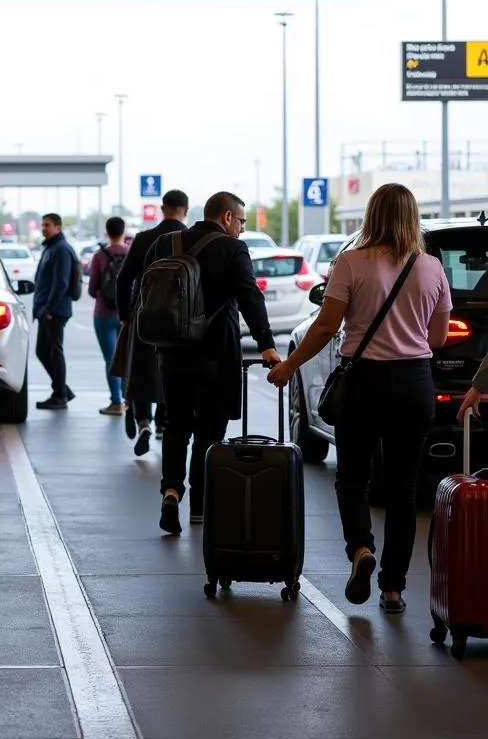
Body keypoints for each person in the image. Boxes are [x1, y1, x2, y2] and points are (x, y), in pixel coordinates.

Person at [269, 183, 450, 613]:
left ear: (371, 216)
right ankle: (392, 589)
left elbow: (325, 326)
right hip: (414, 384)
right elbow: (439, 336)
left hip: (362, 383)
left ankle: (361, 550)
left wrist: (289, 365)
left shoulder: (349, 262)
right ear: (412, 217)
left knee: (352, 477)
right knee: (404, 492)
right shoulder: (431, 267)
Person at [145, 191, 280, 534]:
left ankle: (171, 490)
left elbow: (145, 295)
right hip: (215, 356)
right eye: (242, 222)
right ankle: (201, 507)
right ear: (227, 218)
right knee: (209, 431)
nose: (242, 230)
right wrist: (267, 345)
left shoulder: (165, 243)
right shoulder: (232, 249)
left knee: (176, 425)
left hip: (171, 353)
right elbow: (250, 295)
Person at [116, 189, 189, 455]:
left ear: (163, 208)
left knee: (140, 369)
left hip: (144, 316)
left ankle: (143, 422)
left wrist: (126, 314)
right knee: (170, 369)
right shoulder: (189, 240)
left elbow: (123, 279)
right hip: (180, 320)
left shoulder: (145, 238)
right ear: (185, 210)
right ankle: (164, 423)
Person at [32, 213, 80, 410]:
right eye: (43, 225)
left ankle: (60, 395)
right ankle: (62, 390)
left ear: (58, 227)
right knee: (43, 351)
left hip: (54, 310)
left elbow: (61, 282)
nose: (44, 228)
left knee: (53, 351)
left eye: (48, 225)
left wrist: (49, 308)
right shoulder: (51, 247)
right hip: (48, 308)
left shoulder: (60, 249)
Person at [88, 216, 129, 416]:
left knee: (111, 359)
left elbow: (92, 288)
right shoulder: (131, 252)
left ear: (107, 232)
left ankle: (116, 402)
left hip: (103, 314)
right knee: (129, 358)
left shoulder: (99, 256)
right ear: (123, 231)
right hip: (127, 314)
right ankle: (130, 400)